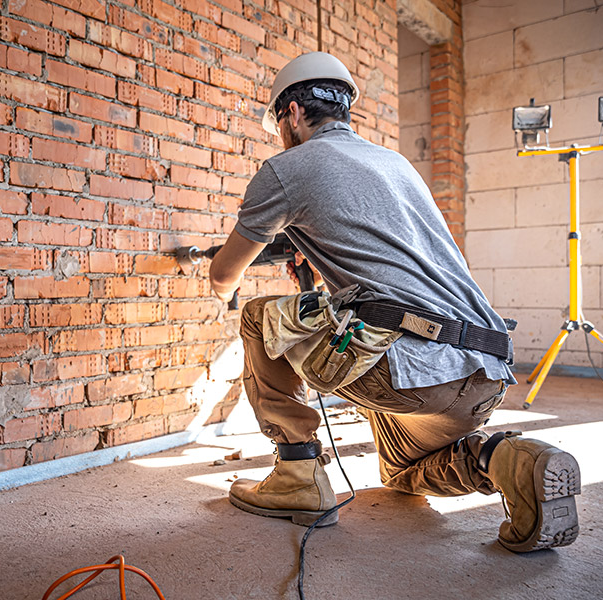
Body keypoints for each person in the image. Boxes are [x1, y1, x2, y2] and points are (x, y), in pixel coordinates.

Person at [208, 52, 580, 553]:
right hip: (484, 372)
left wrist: (227, 287)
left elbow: (223, 275)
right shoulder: (395, 163)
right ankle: (505, 459)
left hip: (409, 372)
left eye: (279, 123)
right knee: (401, 471)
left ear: (292, 113)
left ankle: (297, 472)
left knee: (260, 318)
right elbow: (391, 269)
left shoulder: (285, 169)